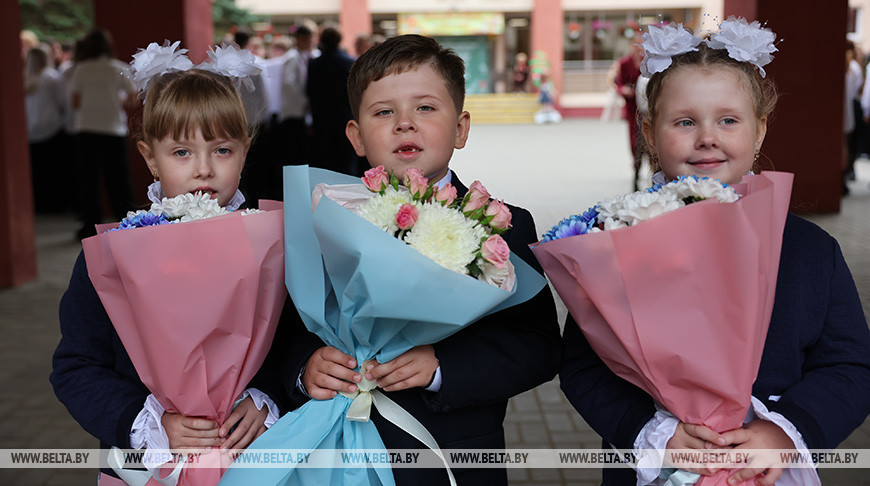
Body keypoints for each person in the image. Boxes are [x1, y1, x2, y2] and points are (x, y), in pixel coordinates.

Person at [559, 21, 870, 486]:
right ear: (649, 131)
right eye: (685, 122)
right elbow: (584, 366)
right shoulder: (612, 246)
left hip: (770, 468)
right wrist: (653, 431)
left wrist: (785, 432)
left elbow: (850, 365)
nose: (707, 137)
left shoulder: (810, 249)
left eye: (728, 119)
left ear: (760, 130)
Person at [284, 34, 562, 485]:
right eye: (383, 112)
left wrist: (441, 368)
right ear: (355, 136)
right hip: (335, 451)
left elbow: (538, 346)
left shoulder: (505, 225)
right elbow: (287, 332)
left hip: (452, 456)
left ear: (461, 127)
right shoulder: (324, 221)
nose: (405, 124)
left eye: (426, 108)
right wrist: (305, 367)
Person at [51, 62, 287, 484]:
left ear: (245, 151)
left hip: (250, 459)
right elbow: (76, 367)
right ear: (150, 158)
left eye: (222, 150)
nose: (203, 169)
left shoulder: (270, 246)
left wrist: (264, 397)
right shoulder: (113, 256)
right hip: (143, 467)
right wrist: (144, 420)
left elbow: (290, 345)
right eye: (181, 152)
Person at [69, 28, 136, 239]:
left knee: (88, 180)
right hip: (112, 129)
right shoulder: (118, 68)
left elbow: (75, 102)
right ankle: (126, 221)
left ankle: (89, 226)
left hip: (87, 129)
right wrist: (118, 100)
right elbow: (134, 99)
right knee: (119, 180)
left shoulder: (80, 69)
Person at [306, 25, 359, 175]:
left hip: (321, 120)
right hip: (345, 119)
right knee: (347, 164)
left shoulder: (314, 64)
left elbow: (309, 92)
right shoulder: (350, 62)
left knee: (325, 164)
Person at [24, 45, 68, 212]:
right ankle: (56, 205)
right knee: (54, 172)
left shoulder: (24, 79)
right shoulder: (52, 77)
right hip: (53, 129)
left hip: (31, 132)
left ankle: (39, 206)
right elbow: (63, 102)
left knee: (37, 172)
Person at [616, 31, 644, 190]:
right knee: (635, 142)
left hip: (647, 109)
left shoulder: (650, 62)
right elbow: (619, 83)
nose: (638, 48)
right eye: (636, 44)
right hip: (632, 108)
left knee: (649, 141)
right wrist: (623, 90)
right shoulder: (625, 63)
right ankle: (636, 174)